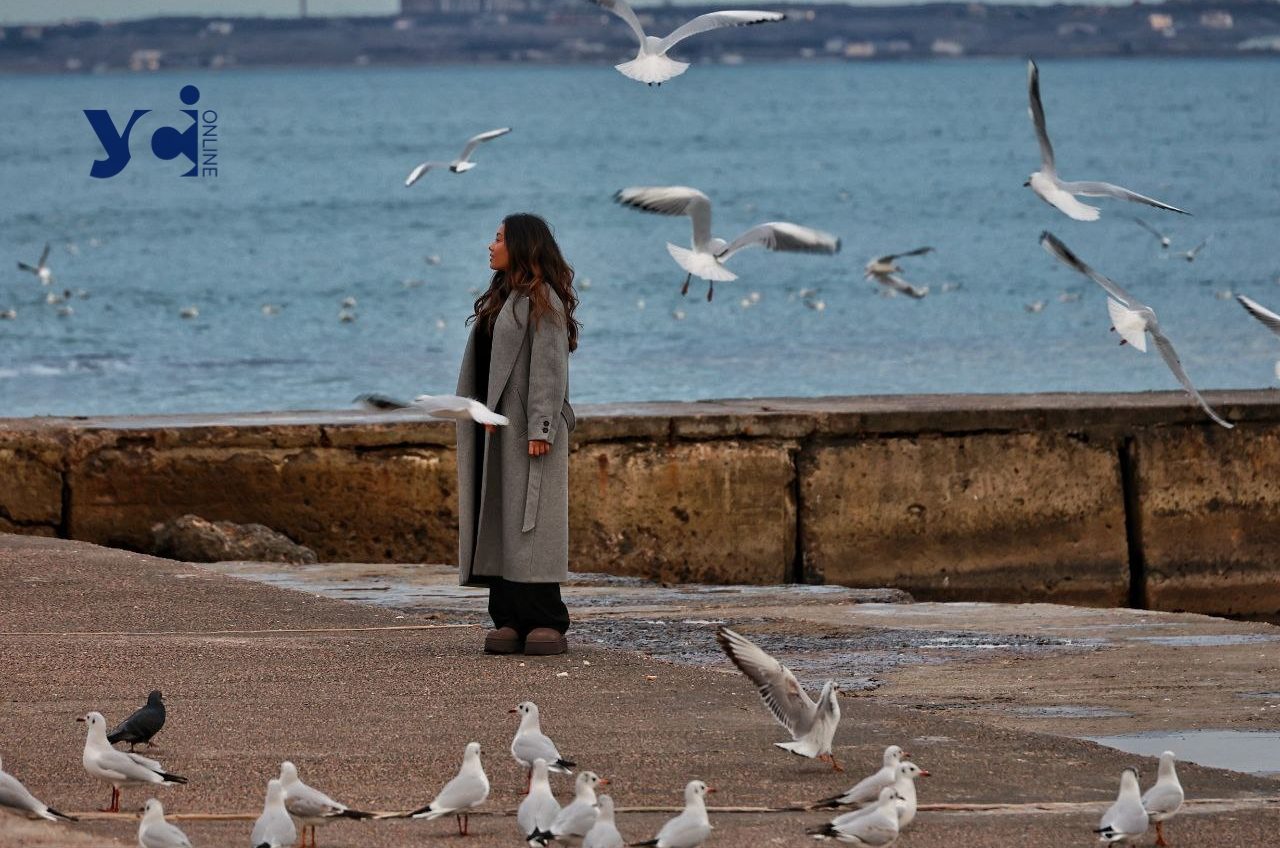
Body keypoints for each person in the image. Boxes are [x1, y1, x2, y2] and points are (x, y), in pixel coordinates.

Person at [455, 213, 580, 656]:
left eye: (499, 238)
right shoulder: (500, 298)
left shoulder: (543, 299)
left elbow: (550, 365)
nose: (490, 246)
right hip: (494, 428)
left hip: (529, 429)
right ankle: (507, 618)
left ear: (522, 246)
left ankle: (547, 621)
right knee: (500, 522)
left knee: (532, 524)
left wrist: (541, 426)